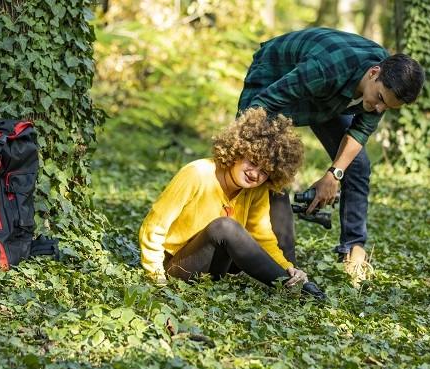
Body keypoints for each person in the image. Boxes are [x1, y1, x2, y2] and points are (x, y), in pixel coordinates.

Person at [237, 27, 425, 287]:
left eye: (387, 107)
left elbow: (358, 133)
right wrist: (261, 146)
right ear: (374, 73)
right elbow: (264, 103)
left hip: (332, 95)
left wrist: (333, 174)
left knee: (356, 165)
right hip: (276, 73)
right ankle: (267, 250)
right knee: (264, 158)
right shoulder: (325, 69)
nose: (379, 109)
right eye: (380, 99)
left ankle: (353, 250)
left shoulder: (385, 83)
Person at [138, 108, 325, 299]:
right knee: (225, 227)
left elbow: (262, 237)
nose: (254, 173)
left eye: (265, 171)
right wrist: (156, 278)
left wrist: (287, 267)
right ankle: (295, 289)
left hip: (219, 265)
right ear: (237, 152)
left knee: (276, 196)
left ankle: (293, 279)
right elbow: (154, 227)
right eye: (252, 162)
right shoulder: (197, 173)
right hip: (179, 265)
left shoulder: (256, 189)